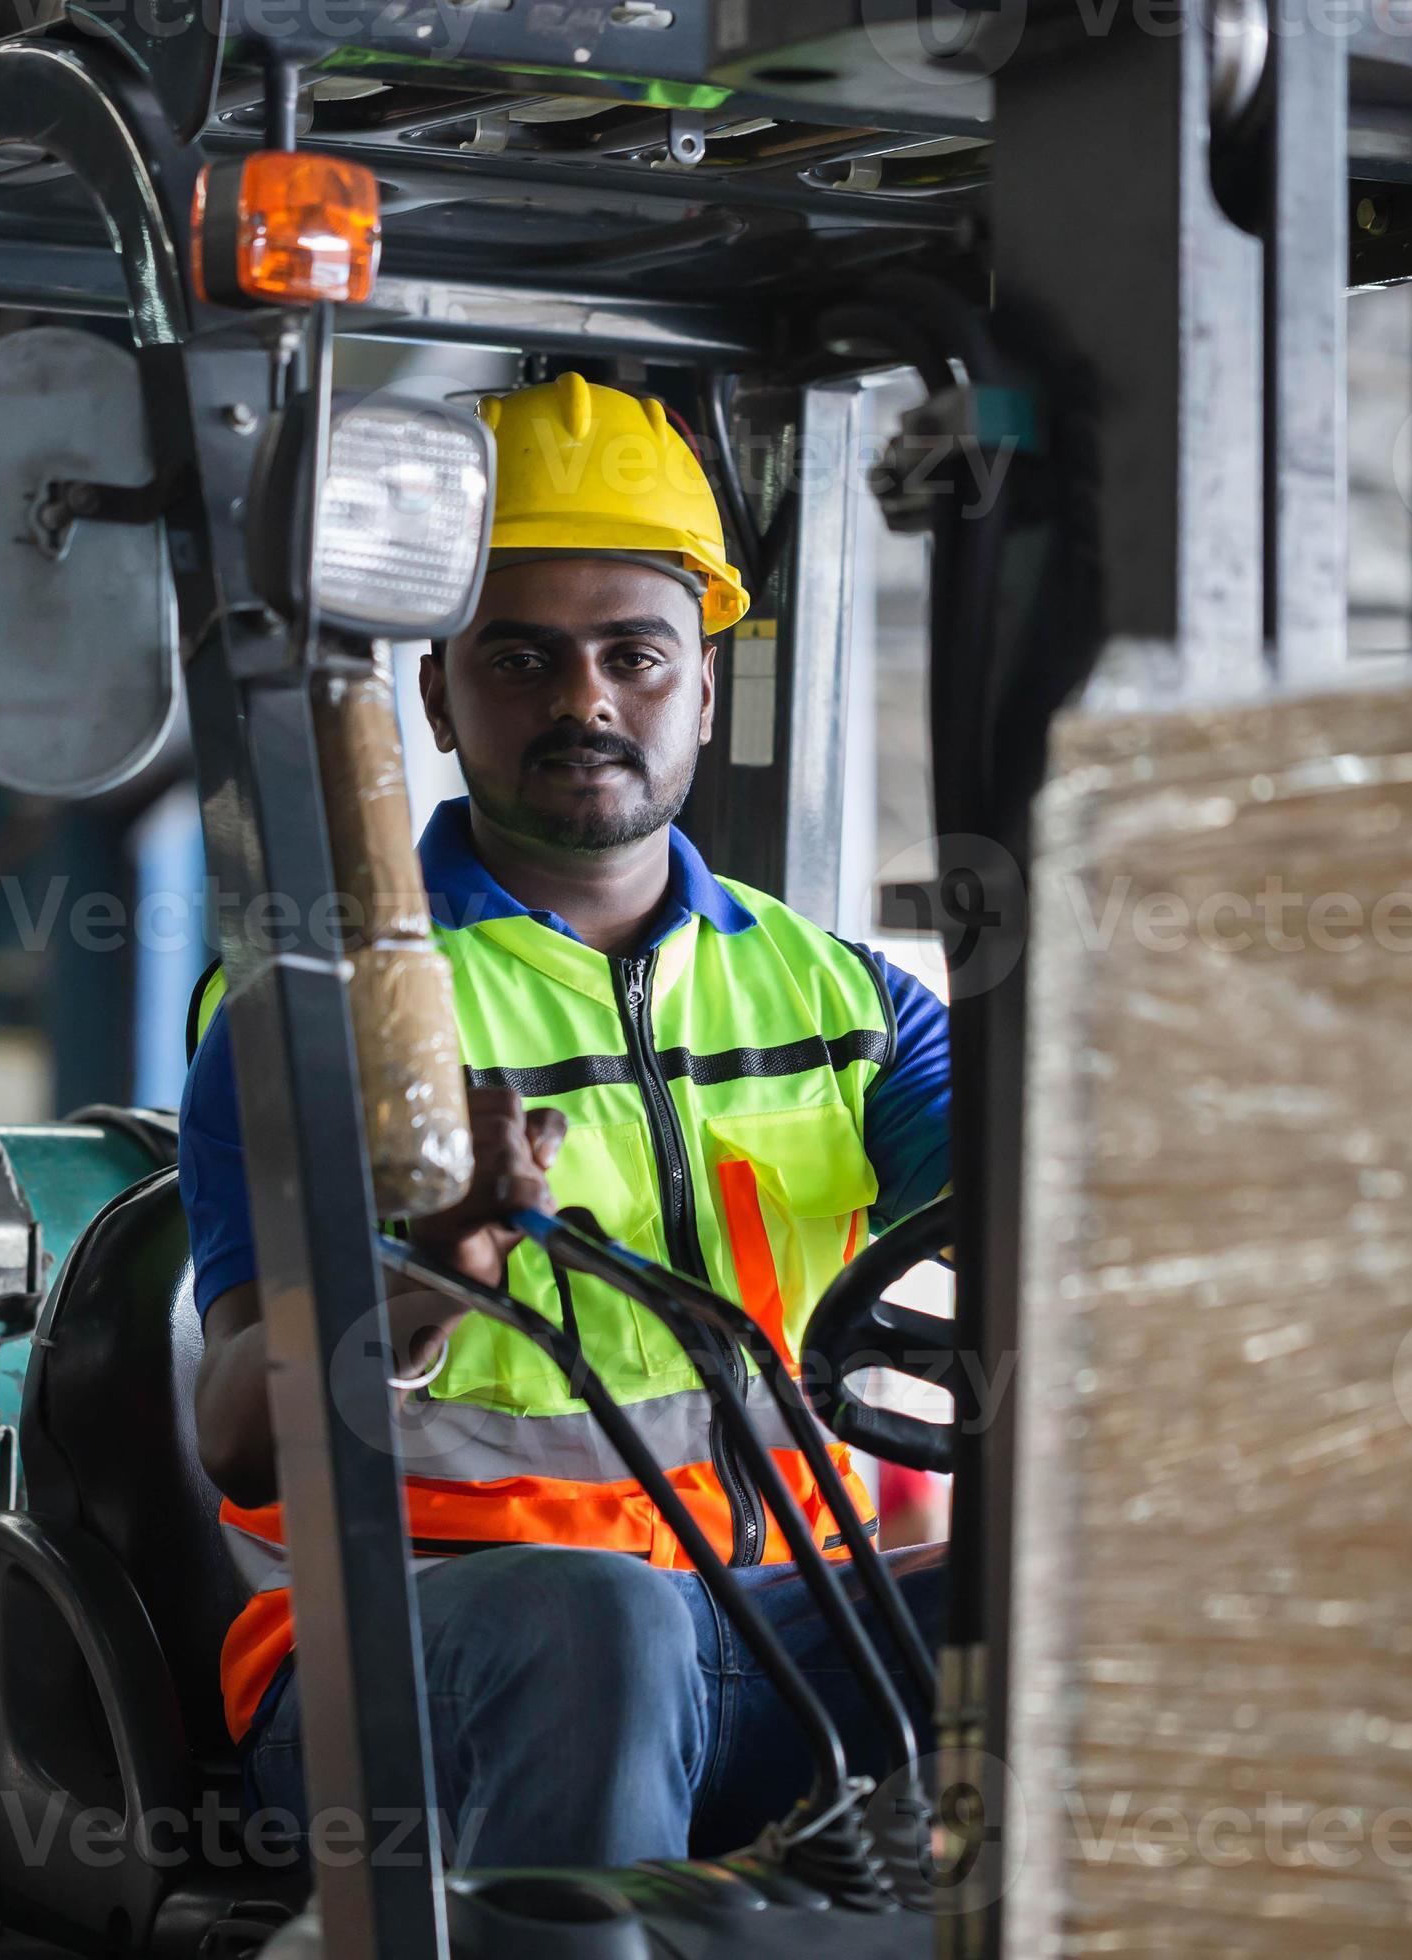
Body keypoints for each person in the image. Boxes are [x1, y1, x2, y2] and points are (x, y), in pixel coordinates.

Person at [177, 372, 952, 1869]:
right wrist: (430, 1281)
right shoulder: (324, 1015)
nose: (585, 699)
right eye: (522, 658)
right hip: (424, 1662)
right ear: (436, 695)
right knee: (595, 1616)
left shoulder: (847, 998)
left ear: (704, 692)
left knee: (1060, 1586)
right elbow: (237, 1438)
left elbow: (1030, 1202)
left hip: (777, 1633)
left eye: (634, 657)